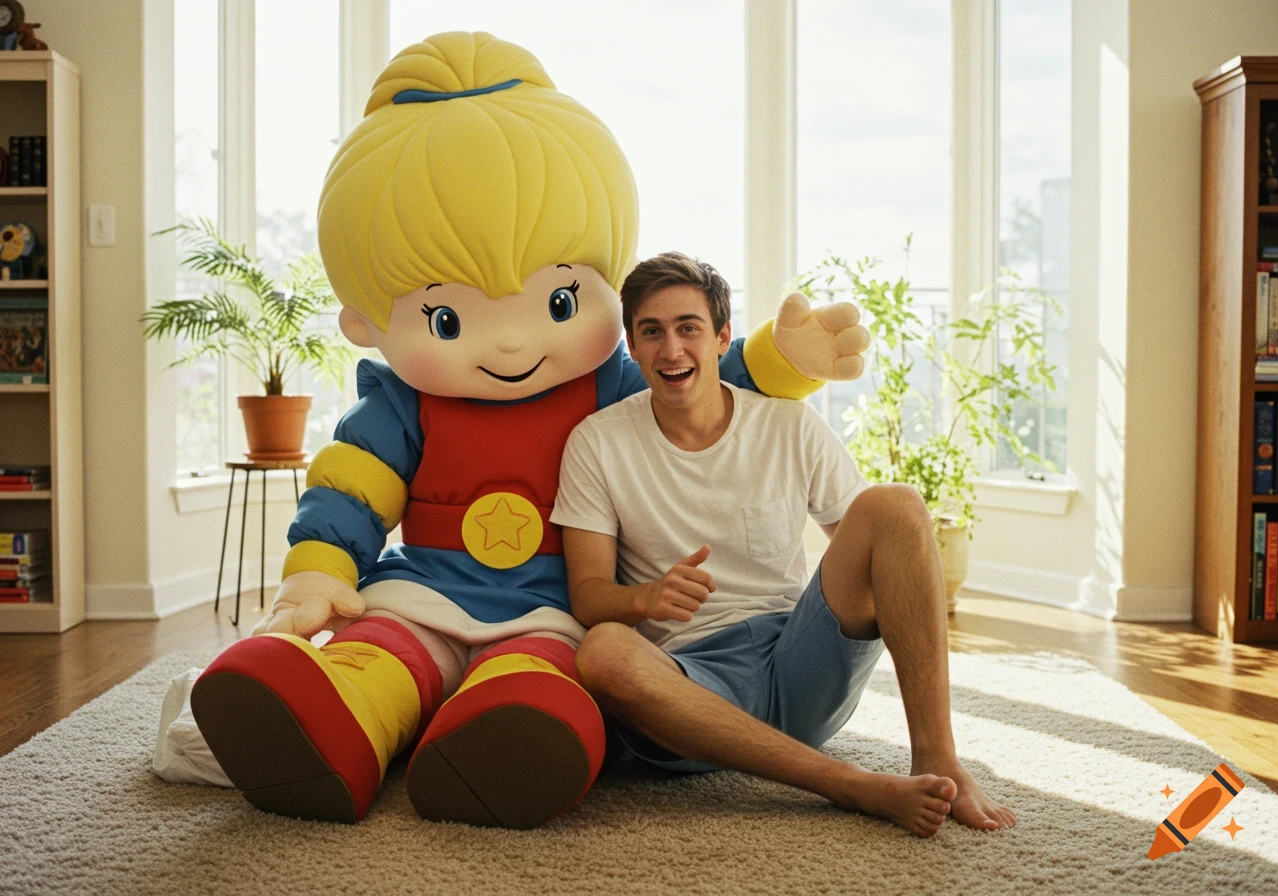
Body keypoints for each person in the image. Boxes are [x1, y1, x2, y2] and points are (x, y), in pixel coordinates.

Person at [187, 33, 870, 830]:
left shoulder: (609, 381)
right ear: (367, 322)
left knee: (538, 682)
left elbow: (697, 380)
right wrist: (319, 569)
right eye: (446, 318)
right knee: (385, 657)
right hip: (425, 591)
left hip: (555, 605)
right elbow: (352, 484)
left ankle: (499, 749)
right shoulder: (402, 401)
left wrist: (781, 360)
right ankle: (323, 727)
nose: (512, 343)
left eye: (556, 303)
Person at [551, 251, 1017, 838]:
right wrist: (645, 598)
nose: (672, 350)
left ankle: (938, 755)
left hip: (800, 662)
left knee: (894, 504)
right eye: (652, 332)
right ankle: (847, 784)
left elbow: (880, 552)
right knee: (603, 652)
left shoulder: (789, 425)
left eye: (688, 327)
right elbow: (588, 597)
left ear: (723, 337)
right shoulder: (597, 443)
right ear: (633, 345)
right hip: (692, 690)